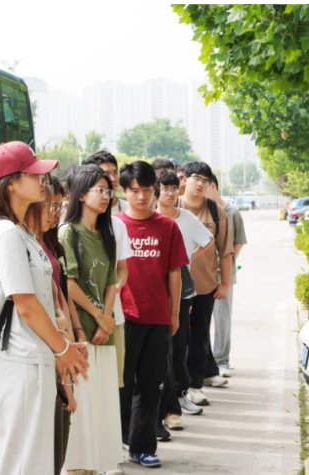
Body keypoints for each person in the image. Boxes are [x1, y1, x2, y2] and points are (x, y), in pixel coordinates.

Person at [0, 141, 88, 475]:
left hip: (31, 359)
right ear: (11, 182)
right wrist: (64, 349)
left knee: (35, 461)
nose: (43, 180)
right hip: (18, 362)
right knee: (23, 463)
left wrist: (59, 354)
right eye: (33, 174)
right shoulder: (7, 233)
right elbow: (25, 303)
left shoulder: (21, 232)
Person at [117, 161, 187, 468]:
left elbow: (175, 272)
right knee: (121, 383)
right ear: (125, 191)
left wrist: (174, 314)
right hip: (123, 318)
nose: (142, 197)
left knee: (150, 385)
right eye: (135, 191)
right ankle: (115, 439)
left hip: (157, 318)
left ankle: (142, 446)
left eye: (147, 190)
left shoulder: (167, 227)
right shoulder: (115, 225)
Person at [58, 165, 124, 474]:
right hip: (81, 333)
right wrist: (96, 318)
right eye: (99, 189)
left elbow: (112, 280)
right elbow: (69, 285)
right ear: (81, 194)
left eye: (108, 190)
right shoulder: (68, 232)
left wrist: (107, 318)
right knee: (82, 405)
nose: (105, 196)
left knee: (102, 404)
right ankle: (79, 468)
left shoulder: (107, 233)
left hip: (104, 330)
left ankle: (98, 465)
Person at [23, 175, 80, 474]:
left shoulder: (47, 243)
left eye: (59, 206)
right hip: (41, 351)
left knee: (59, 432)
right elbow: (31, 307)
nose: (55, 212)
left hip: (59, 346)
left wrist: (72, 335)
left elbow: (60, 297)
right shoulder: (21, 242)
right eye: (49, 205)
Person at [155, 171, 213, 433]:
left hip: (182, 288)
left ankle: (178, 398)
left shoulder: (186, 219)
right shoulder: (149, 219)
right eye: (164, 188)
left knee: (179, 346)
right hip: (153, 292)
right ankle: (162, 407)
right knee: (158, 353)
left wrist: (188, 258)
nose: (169, 193)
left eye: (173, 189)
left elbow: (208, 241)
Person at [178, 162, 233, 406]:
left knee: (199, 336)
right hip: (175, 287)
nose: (200, 184)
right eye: (195, 178)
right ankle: (175, 387)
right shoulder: (173, 207)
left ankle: (195, 385)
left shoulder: (215, 211)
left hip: (205, 286)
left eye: (205, 180)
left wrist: (225, 284)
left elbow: (226, 251)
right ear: (185, 180)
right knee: (177, 339)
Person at [207, 174, 247, 377]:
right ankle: (206, 362)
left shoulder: (231, 211)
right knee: (202, 321)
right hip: (203, 276)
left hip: (224, 276)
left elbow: (238, 242)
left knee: (222, 319)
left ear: (212, 185)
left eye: (204, 184)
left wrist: (227, 263)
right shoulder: (200, 210)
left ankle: (221, 360)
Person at [83, 150, 128, 215]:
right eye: (106, 174)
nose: (113, 179)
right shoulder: (86, 214)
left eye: (115, 173)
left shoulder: (128, 209)